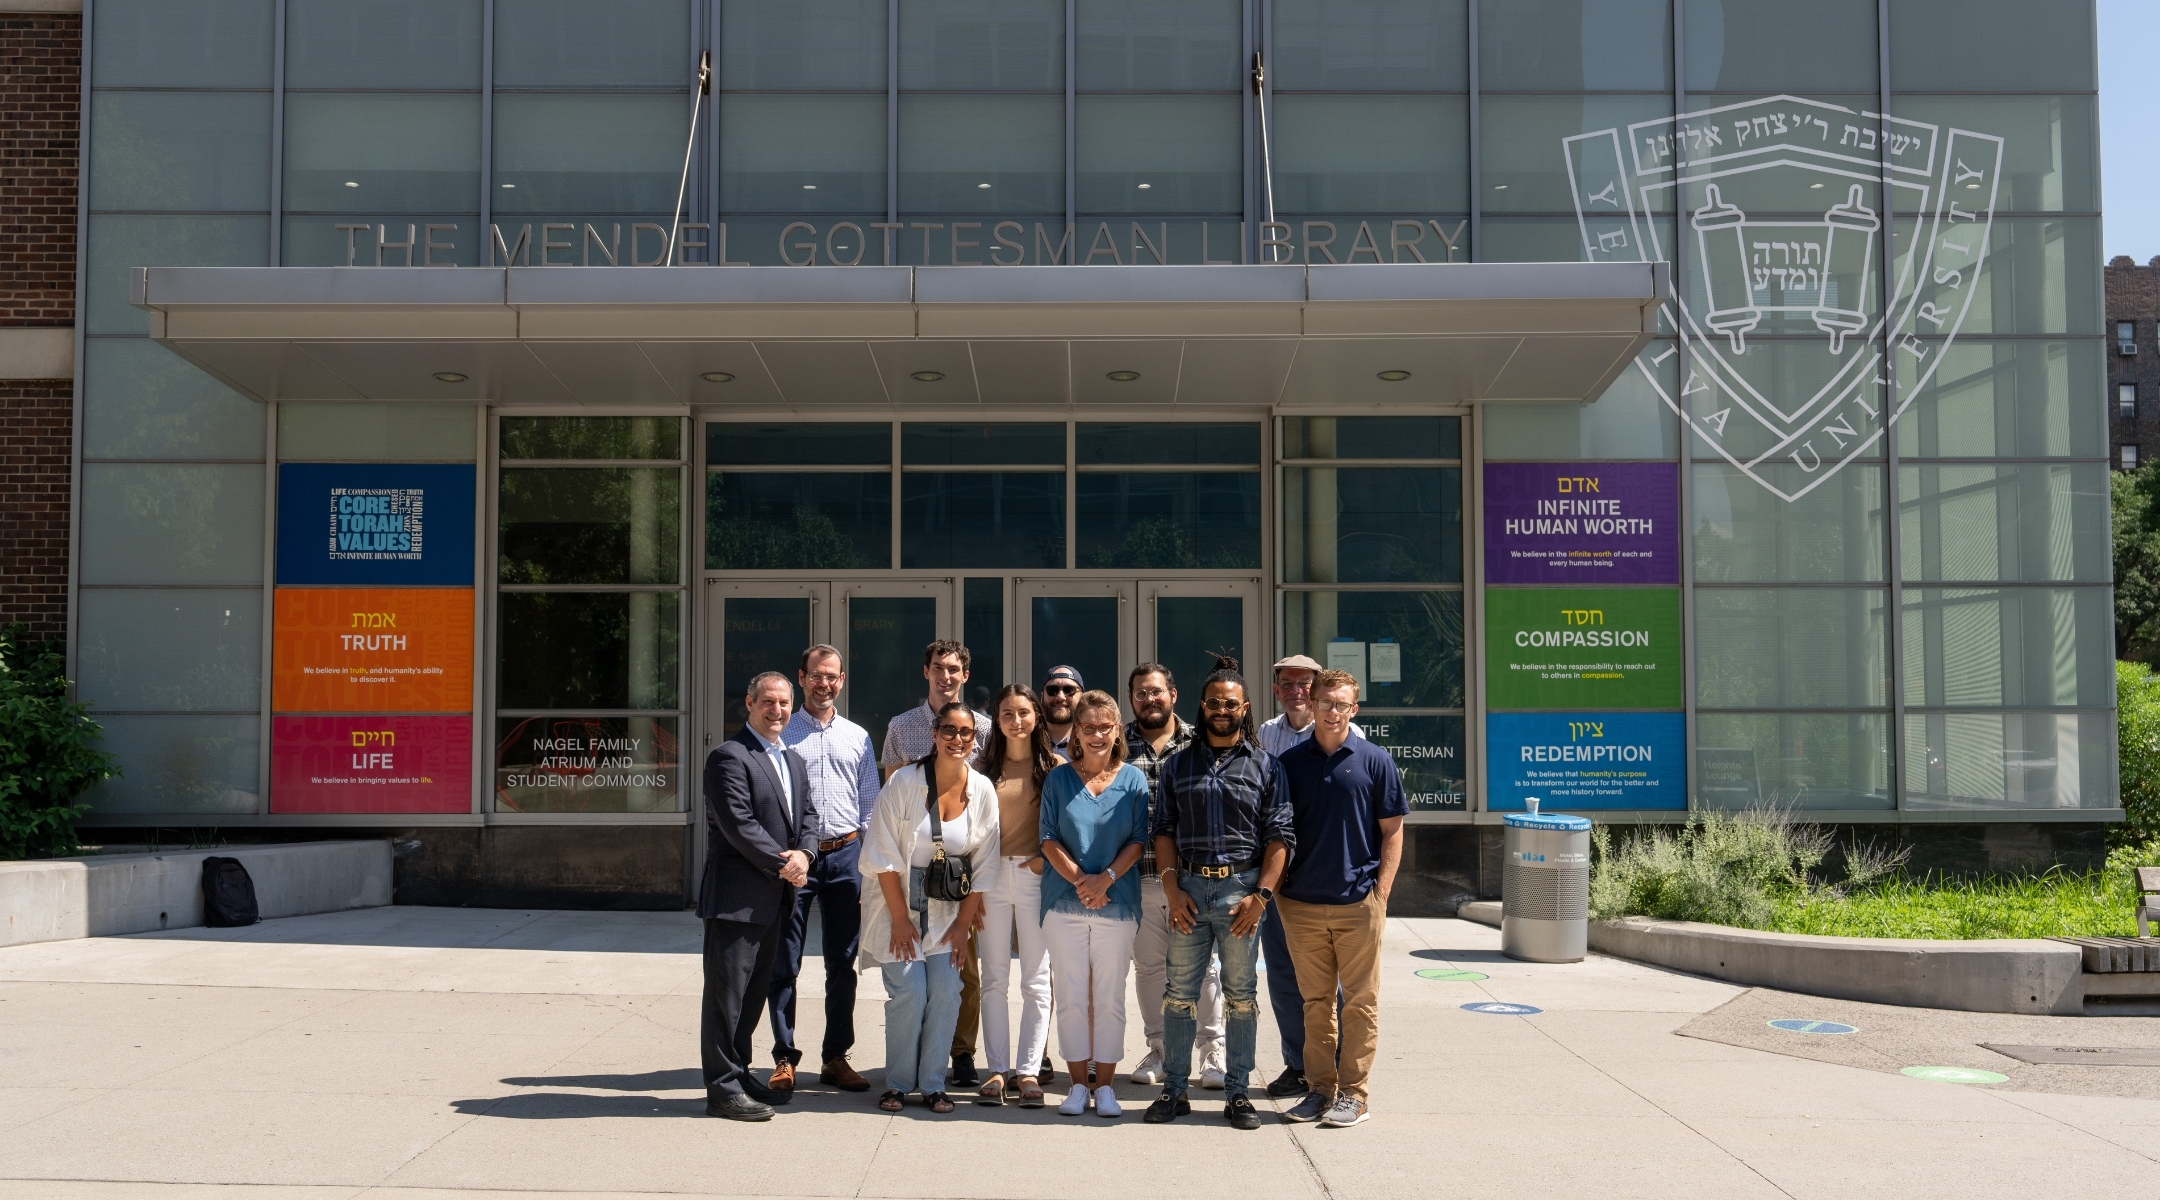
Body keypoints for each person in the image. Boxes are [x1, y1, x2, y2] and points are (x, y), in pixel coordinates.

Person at [1145, 659, 1293, 1131]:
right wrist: (1171, 889)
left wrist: (1261, 897)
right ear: (1202, 707)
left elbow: (1280, 838)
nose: (1222, 710)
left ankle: (1238, 1093)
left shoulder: (1266, 765)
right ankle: (1174, 1089)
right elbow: (1163, 829)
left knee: (1241, 996)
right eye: (1214, 702)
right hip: (1187, 888)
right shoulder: (1177, 763)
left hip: (1241, 894)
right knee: (1179, 994)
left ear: (1245, 708)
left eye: (1231, 703)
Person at [1274, 670, 1405, 1129]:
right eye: (1324, 702)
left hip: (1358, 904)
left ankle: (1354, 1095)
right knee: (1315, 1002)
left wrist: (1381, 892)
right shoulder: (1289, 764)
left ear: (1355, 709)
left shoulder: (1375, 761)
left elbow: (1393, 832)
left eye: (1341, 703)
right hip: (1301, 904)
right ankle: (1319, 1089)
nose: (1332, 711)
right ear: (1311, 704)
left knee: (1360, 1003)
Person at [859, 701, 1002, 1113]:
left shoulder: (982, 790)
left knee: (946, 992)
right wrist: (900, 920)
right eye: (949, 731)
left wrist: (962, 926)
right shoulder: (904, 783)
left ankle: (934, 1084)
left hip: (947, 915)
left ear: (975, 742)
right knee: (910, 991)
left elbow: (985, 862)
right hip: (896, 908)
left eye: (966, 733)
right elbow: (883, 855)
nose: (957, 739)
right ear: (935, 735)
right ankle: (900, 1083)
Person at [698, 671, 818, 1122]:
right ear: (749, 704)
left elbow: (808, 816)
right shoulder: (729, 757)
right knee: (726, 999)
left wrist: (805, 854)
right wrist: (785, 864)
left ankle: (740, 1073)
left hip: (776, 901)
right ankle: (722, 1090)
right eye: (768, 701)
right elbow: (739, 825)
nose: (777, 710)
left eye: (784, 703)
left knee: (752, 997)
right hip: (738, 899)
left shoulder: (793, 760)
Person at [766, 644, 880, 1095]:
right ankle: (784, 1057)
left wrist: (869, 866)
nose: (823, 683)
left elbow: (869, 804)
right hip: (795, 860)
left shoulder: (857, 736)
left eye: (831, 676)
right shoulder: (782, 732)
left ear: (841, 680)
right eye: (816, 675)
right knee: (785, 962)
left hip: (846, 857)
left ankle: (835, 1056)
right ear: (802, 677)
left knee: (842, 963)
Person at [879, 640, 991, 1088]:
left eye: (955, 669)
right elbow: (890, 790)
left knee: (962, 972)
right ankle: (915, 1064)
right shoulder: (902, 726)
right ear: (926, 672)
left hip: (961, 872)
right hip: (912, 865)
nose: (946, 676)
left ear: (965, 675)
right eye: (938, 668)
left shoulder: (984, 727)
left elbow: (986, 792)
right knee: (913, 979)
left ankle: (960, 1053)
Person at [1253, 653, 1364, 1100]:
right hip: (1280, 877)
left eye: (1305, 683)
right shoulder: (1265, 733)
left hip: (1329, 878)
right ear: (1276, 688)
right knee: (1282, 973)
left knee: (1330, 982)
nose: (1296, 690)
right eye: (1287, 683)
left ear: (1319, 691)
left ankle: (1334, 1069)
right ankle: (1298, 1064)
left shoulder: (1350, 735)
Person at [1037, 689, 1149, 1119]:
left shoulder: (1133, 779)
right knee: (1069, 996)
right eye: (1089, 727)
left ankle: (1104, 1087)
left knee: (1108, 997)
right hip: (1063, 903)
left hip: (1117, 902)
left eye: (1106, 727)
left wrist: (1105, 880)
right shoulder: (1058, 778)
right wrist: (1082, 882)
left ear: (1117, 729)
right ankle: (1076, 1087)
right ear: (1076, 733)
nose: (1098, 734)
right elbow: (1047, 837)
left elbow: (1139, 840)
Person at [1121, 663, 1226, 1089]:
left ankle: (1212, 1052)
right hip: (1138, 875)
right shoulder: (1117, 741)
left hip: (1193, 877)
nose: (1149, 699)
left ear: (1173, 694)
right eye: (1141, 693)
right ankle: (1160, 1049)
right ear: (1131, 699)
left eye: (1156, 692)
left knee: (1204, 969)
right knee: (1147, 968)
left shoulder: (1199, 741)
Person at [970, 683, 1062, 1107]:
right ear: (997, 720)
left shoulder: (1056, 767)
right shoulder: (982, 769)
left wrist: (1047, 859)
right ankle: (996, 1070)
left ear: (1036, 717)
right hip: (988, 879)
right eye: (1007, 713)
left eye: (1024, 712)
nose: (1016, 720)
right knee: (993, 979)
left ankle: (1028, 1072)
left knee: (1036, 981)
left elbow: (1071, 823)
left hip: (1034, 878)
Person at [1039, 665, 1083, 758]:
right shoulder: (1027, 742)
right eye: (1052, 690)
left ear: (1082, 697)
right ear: (1042, 696)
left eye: (1069, 690)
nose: (1060, 697)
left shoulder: (1092, 745)